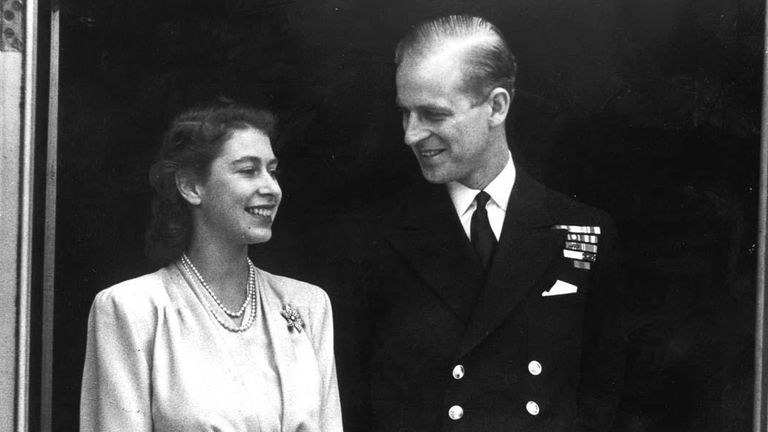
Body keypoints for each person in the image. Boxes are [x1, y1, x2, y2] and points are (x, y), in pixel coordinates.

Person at [340, 15, 625, 432]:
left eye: (433, 115)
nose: (411, 135)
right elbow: (352, 398)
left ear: (496, 107)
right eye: (405, 113)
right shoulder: (372, 238)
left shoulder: (585, 230)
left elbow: (602, 400)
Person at [79, 103, 342, 431]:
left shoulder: (308, 306)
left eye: (272, 171)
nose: (271, 188)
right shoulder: (133, 310)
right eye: (248, 170)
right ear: (191, 186)